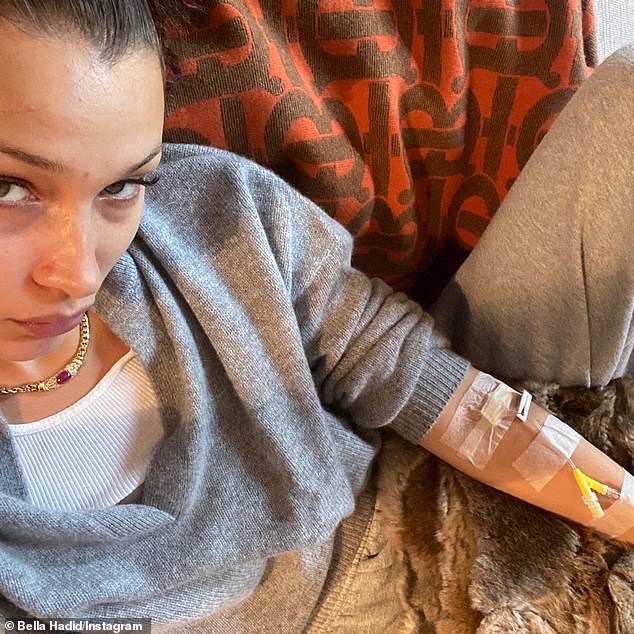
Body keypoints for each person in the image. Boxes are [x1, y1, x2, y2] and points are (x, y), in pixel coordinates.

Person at [0, 1, 632, 632]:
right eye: (8, 188)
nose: (79, 275)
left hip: (409, 512)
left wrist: (624, 509)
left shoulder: (220, 216)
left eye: (122, 186)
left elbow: (405, 369)